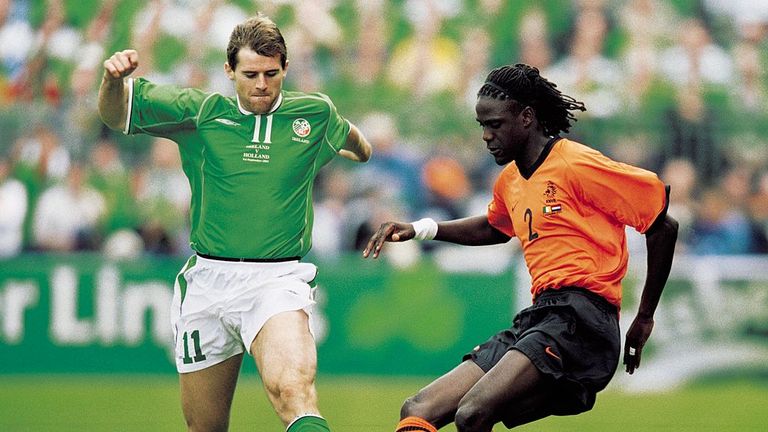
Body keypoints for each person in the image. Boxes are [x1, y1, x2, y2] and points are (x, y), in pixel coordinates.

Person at [363, 63, 678, 432]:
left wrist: (643, 317)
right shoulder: (510, 180)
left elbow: (662, 223)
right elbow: (495, 226)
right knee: (417, 408)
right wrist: (422, 229)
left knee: (472, 413)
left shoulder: (575, 163)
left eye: (494, 124)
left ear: (526, 117)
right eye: (482, 125)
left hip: (583, 321)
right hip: (541, 317)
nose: (485, 135)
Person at [98, 13, 372, 432]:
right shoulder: (201, 113)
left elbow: (352, 137)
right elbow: (116, 116)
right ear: (229, 70)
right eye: (249, 74)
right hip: (208, 282)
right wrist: (113, 82)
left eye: (271, 73)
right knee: (205, 426)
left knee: (293, 393)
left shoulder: (313, 113)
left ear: (285, 68)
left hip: (276, 281)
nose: (261, 85)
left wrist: (360, 149)